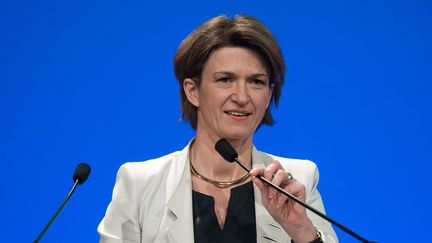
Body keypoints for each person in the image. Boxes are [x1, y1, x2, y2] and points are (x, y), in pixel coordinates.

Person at [98, 15, 338, 243]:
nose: (242, 97)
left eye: (256, 82)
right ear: (192, 91)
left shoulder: (297, 178)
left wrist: (301, 230)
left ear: (269, 95)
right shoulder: (141, 184)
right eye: (225, 79)